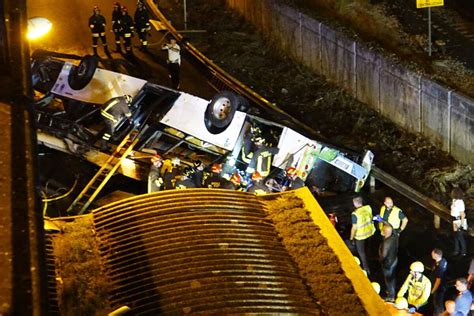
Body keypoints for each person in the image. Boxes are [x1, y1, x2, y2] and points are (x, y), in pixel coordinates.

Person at [350, 196, 375, 275]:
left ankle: (366, 268)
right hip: (370, 232)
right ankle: (371, 261)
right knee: (369, 249)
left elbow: (354, 227)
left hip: (360, 236)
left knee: (362, 253)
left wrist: (351, 238)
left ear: (355, 203)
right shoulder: (368, 208)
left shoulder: (355, 214)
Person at [379, 224, 398, 302]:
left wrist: (381, 260)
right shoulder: (394, 236)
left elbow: (383, 255)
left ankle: (391, 296)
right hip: (394, 260)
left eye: (383, 230)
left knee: (388, 279)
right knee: (392, 277)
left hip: (387, 264)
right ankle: (391, 290)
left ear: (385, 232)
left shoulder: (386, 243)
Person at [431, 248, 448, 316]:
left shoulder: (440, 266)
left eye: (432, 254)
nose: (431, 255)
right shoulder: (443, 261)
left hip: (439, 289)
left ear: (436, 255)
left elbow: (438, 281)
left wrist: (433, 291)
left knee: (438, 305)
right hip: (441, 287)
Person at [450, 188, 466, 257]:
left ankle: (463, 252)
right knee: (456, 236)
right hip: (454, 219)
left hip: (458, 220)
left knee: (460, 236)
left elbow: (462, 214)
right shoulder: (454, 200)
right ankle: (456, 250)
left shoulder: (460, 202)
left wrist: (462, 224)